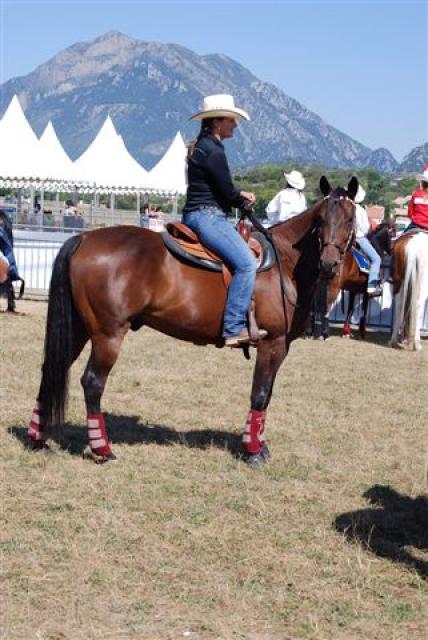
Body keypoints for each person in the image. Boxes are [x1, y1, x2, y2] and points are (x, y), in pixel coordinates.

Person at [182, 93, 266, 348]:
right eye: (232, 120)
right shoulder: (214, 150)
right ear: (217, 122)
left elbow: (220, 188)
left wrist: (238, 195)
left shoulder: (203, 146)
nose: (235, 125)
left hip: (198, 213)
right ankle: (232, 327)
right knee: (246, 264)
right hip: (208, 216)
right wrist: (242, 201)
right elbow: (226, 193)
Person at [354, 185, 382, 296]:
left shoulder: (344, 206)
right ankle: (371, 287)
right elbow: (365, 229)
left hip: (346, 238)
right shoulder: (360, 210)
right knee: (376, 259)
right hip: (359, 238)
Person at [405, 164, 428, 231]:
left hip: (416, 225)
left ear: (422, 182)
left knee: (400, 237)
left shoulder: (416, 194)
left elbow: (410, 212)